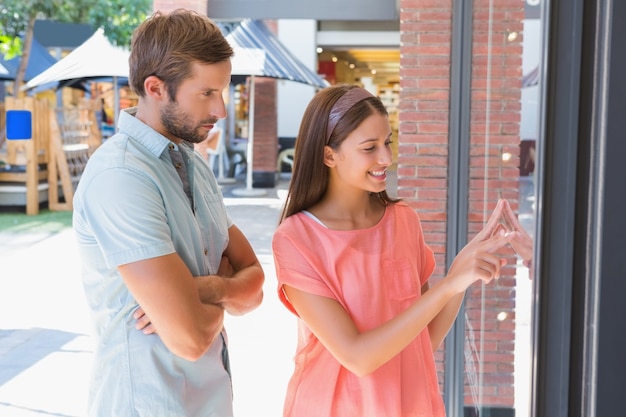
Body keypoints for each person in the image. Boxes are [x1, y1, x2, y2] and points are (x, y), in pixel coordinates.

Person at [271, 84, 517, 417]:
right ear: (329, 155)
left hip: (411, 404)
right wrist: (447, 285)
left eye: (387, 142)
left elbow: (422, 340)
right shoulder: (297, 239)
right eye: (369, 147)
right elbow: (357, 357)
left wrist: (460, 279)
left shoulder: (403, 221)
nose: (386, 158)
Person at [72, 9, 264, 417]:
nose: (221, 110)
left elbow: (255, 284)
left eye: (222, 92)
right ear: (156, 88)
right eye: (207, 93)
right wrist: (225, 290)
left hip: (210, 402)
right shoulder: (121, 176)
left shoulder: (193, 164)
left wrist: (207, 291)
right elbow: (190, 337)